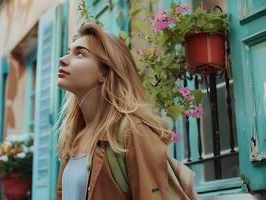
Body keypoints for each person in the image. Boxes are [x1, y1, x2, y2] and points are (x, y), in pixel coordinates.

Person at [56, 22, 196, 200]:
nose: (63, 59)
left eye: (80, 54)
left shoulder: (132, 132)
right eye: (69, 52)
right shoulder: (74, 138)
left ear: (105, 72)